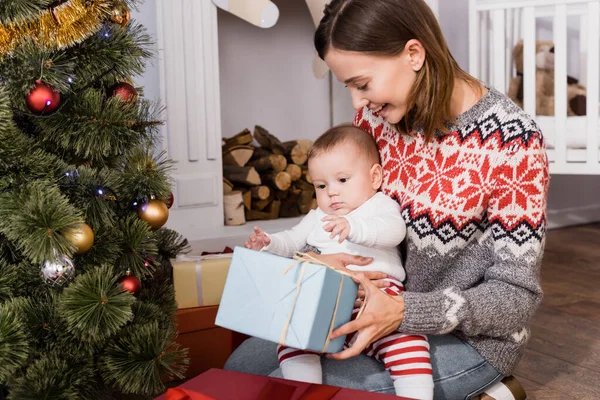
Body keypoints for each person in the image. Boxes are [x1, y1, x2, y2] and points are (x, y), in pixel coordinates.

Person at [226, 0, 549, 399]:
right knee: (241, 369)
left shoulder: (513, 141)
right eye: (348, 87)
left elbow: (516, 297)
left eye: (362, 84)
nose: (357, 104)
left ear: (413, 54)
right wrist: (319, 258)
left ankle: (493, 389)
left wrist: (404, 311)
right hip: (363, 309)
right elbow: (338, 213)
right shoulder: (376, 121)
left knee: (292, 387)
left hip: (466, 338)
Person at [245, 124, 434, 399]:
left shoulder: (378, 205)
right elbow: (292, 241)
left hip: (380, 297)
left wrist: (355, 227)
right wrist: (268, 243)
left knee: (409, 345)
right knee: (291, 338)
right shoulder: (316, 217)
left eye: (342, 180)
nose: (331, 192)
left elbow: (395, 231)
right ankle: (308, 390)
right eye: (321, 185)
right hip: (326, 298)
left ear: (375, 177)